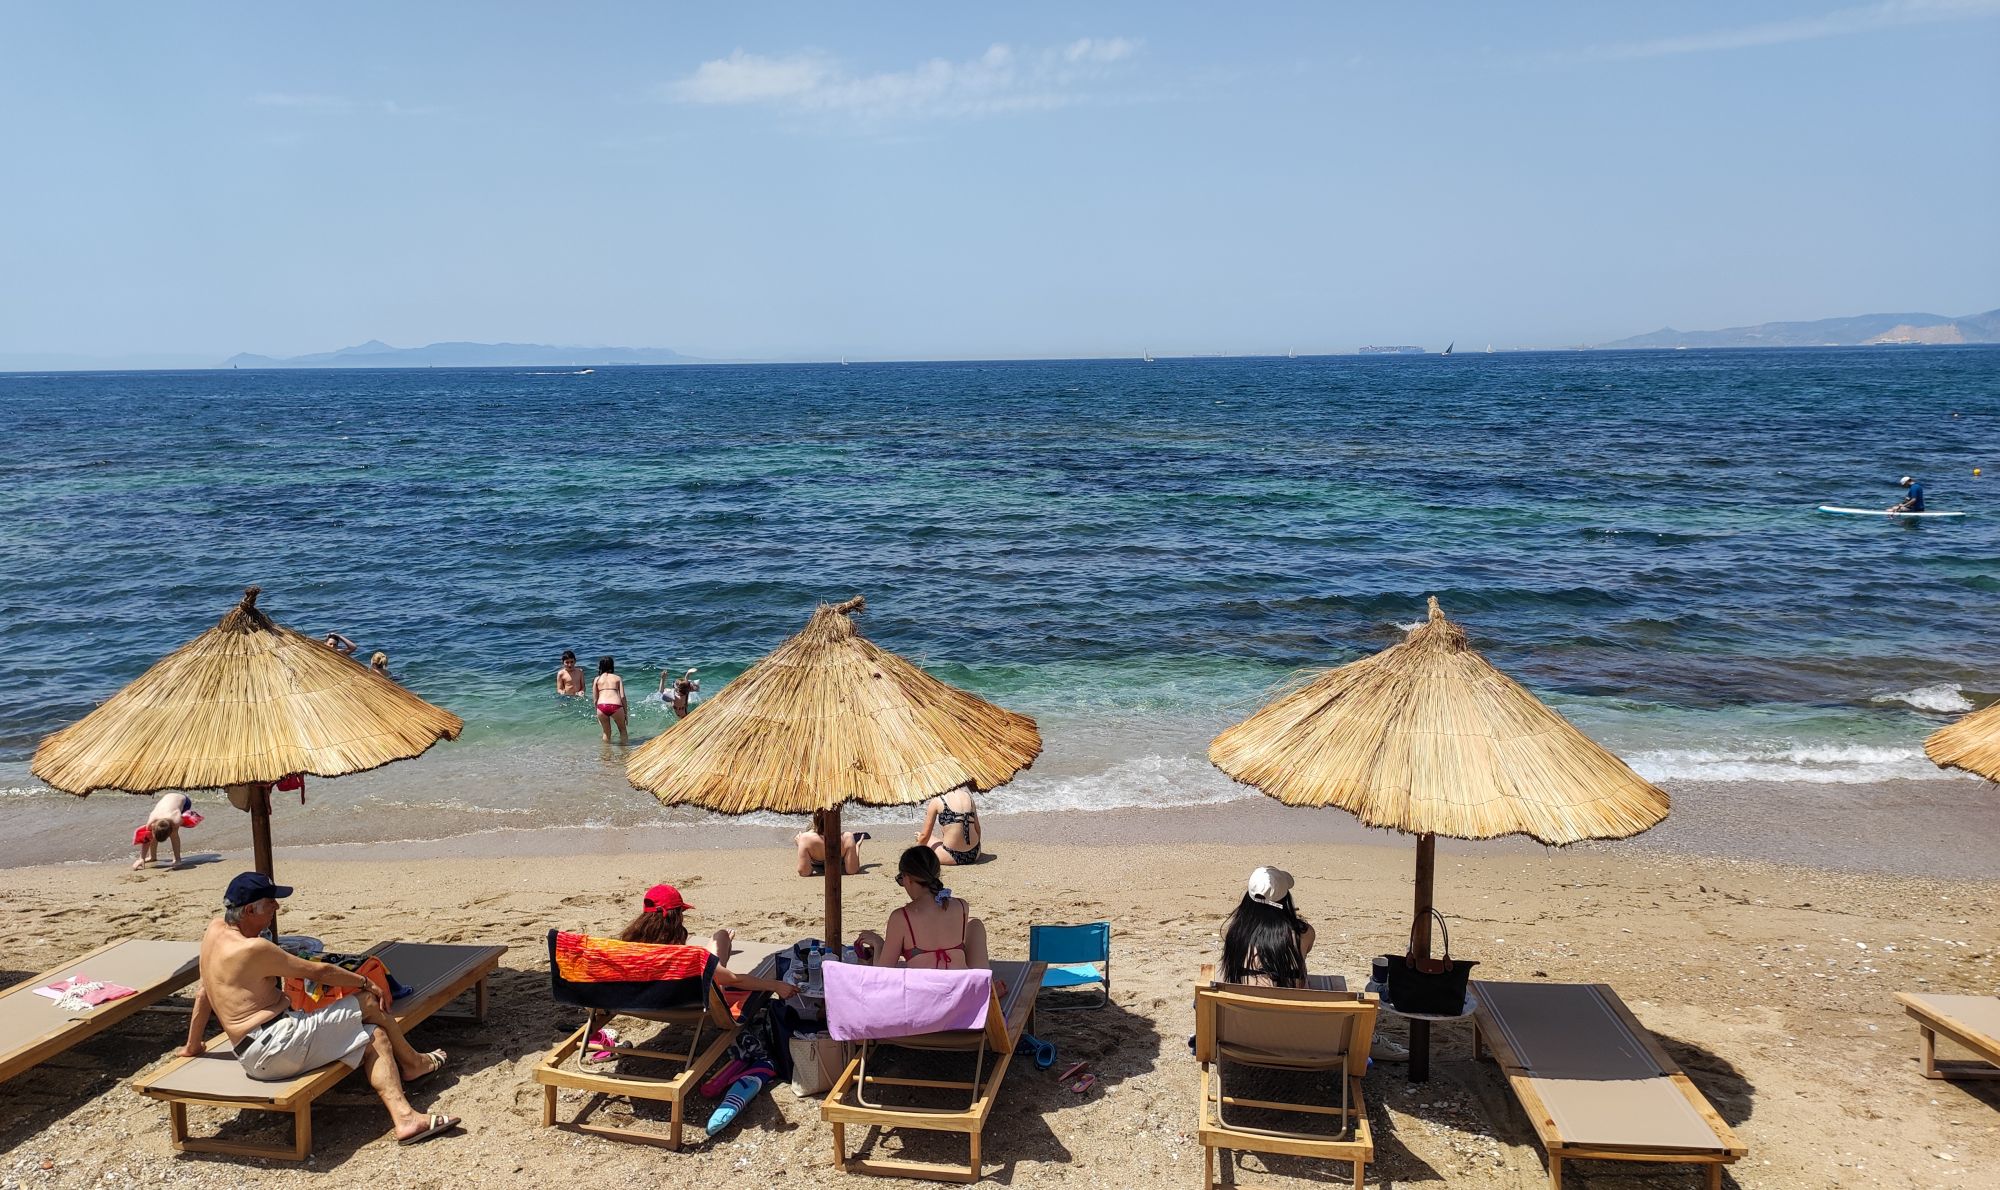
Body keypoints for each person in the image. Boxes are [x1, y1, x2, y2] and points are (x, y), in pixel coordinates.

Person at [180, 873, 460, 1145]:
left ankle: (406, 1118)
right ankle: (414, 1062)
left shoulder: (214, 931)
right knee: (367, 1002)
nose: (277, 907)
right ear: (250, 909)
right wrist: (365, 981)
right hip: (278, 1046)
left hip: (254, 1051)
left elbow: (205, 991)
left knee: (375, 1037)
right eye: (270, 902)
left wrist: (193, 1044)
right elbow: (320, 972)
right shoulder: (253, 949)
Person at [854, 847, 1002, 993]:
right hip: (960, 997)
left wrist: (880, 944)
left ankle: (987, 990)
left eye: (901, 880)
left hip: (925, 1001)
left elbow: (883, 976)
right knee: (975, 925)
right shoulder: (962, 906)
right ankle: (986, 990)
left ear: (907, 878)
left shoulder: (901, 917)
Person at [617, 883, 798, 1000]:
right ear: (677, 916)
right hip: (685, 1002)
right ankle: (722, 942)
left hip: (645, 1001)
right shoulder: (689, 957)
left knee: (718, 942)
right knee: (721, 937)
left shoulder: (624, 950)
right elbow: (735, 980)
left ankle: (721, 944)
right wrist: (775, 985)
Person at [1220, 866, 1316, 987]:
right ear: (1285, 899)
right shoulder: (1304, 933)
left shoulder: (1236, 931)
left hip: (1243, 1004)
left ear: (1248, 898)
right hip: (1289, 1004)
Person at [916, 785, 982, 866]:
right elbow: (977, 829)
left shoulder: (938, 800)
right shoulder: (968, 797)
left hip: (950, 855)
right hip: (975, 853)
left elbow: (925, 836)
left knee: (920, 837)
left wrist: (917, 850)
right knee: (936, 839)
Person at [132, 792, 195, 870]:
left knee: (174, 834)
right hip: (167, 798)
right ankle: (152, 856)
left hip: (184, 801)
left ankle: (177, 858)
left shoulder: (176, 820)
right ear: (153, 826)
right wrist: (141, 858)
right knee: (150, 834)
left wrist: (177, 861)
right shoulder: (151, 821)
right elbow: (147, 839)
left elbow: (176, 834)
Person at [794, 809, 868, 876]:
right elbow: (852, 870)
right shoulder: (848, 837)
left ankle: (814, 830)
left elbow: (804, 872)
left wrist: (800, 844)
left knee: (808, 832)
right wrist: (856, 847)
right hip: (837, 860)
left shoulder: (805, 838)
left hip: (815, 860)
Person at [592, 656, 628, 744]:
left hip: (601, 706)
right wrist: (626, 713)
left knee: (606, 732)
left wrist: (597, 713)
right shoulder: (617, 678)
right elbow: (622, 697)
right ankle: (625, 753)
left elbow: (595, 699)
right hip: (616, 705)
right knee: (622, 729)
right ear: (612, 666)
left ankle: (606, 754)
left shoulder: (597, 679)